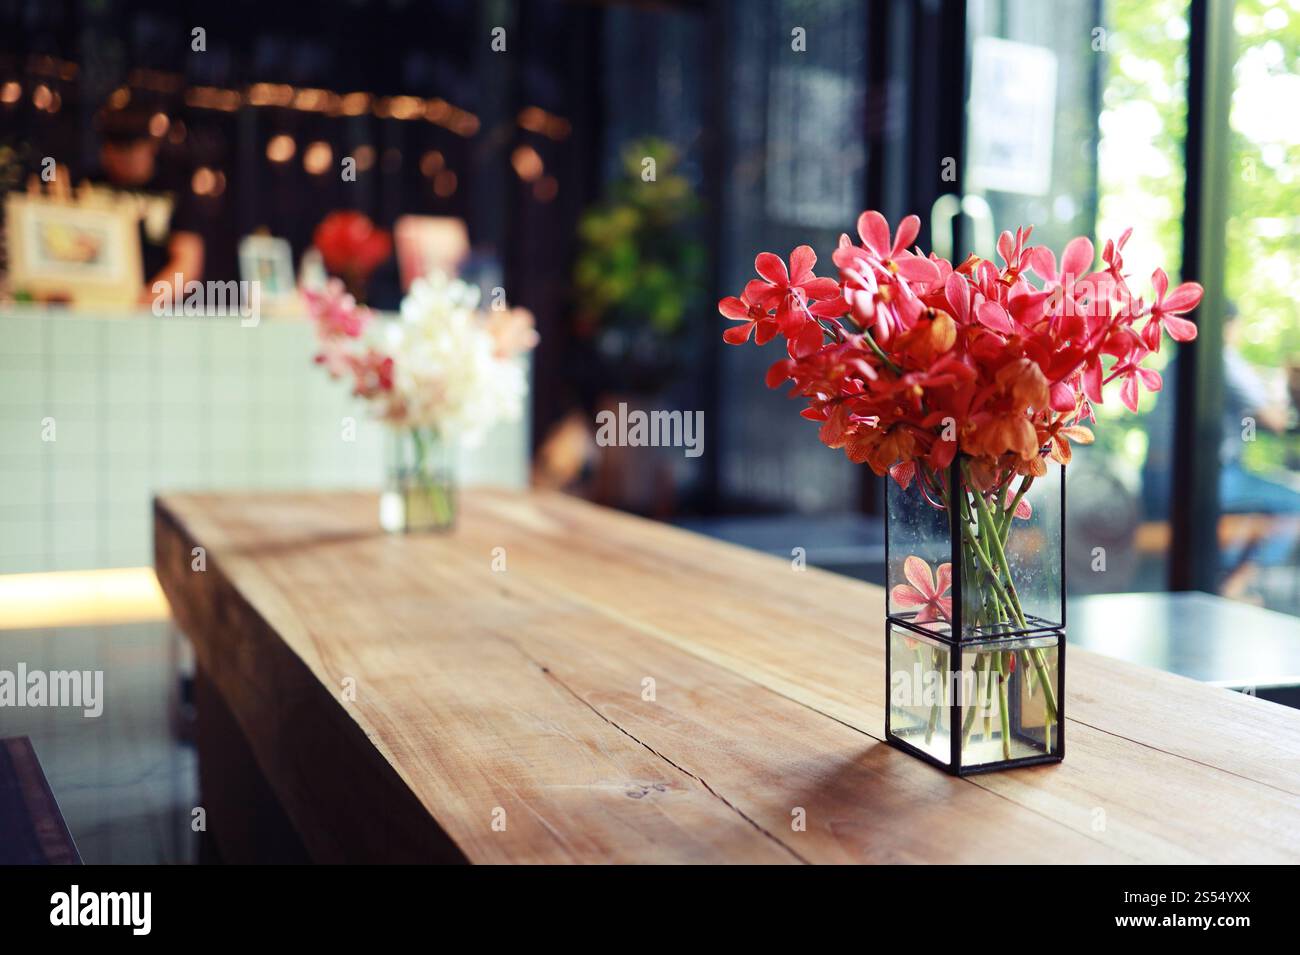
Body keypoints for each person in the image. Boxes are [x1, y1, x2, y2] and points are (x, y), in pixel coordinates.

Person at [1218, 302, 1300, 598]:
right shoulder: (1223, 359)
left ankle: (1232, 573)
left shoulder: (1183, 359)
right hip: (1217, 478)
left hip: (1174, 477)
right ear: (1229, 325)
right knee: (1295, 501)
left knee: (1265, 502)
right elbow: (1273, 420)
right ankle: (1237, 582)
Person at [89, 107, 203, 301]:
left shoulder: (172, 189)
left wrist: (144, 301)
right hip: (93, 301)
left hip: (150, 310)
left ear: (150, 145)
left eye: (131, 146)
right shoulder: (87, 185)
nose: (123, 156)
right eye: (115, 145)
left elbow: (188, 260)